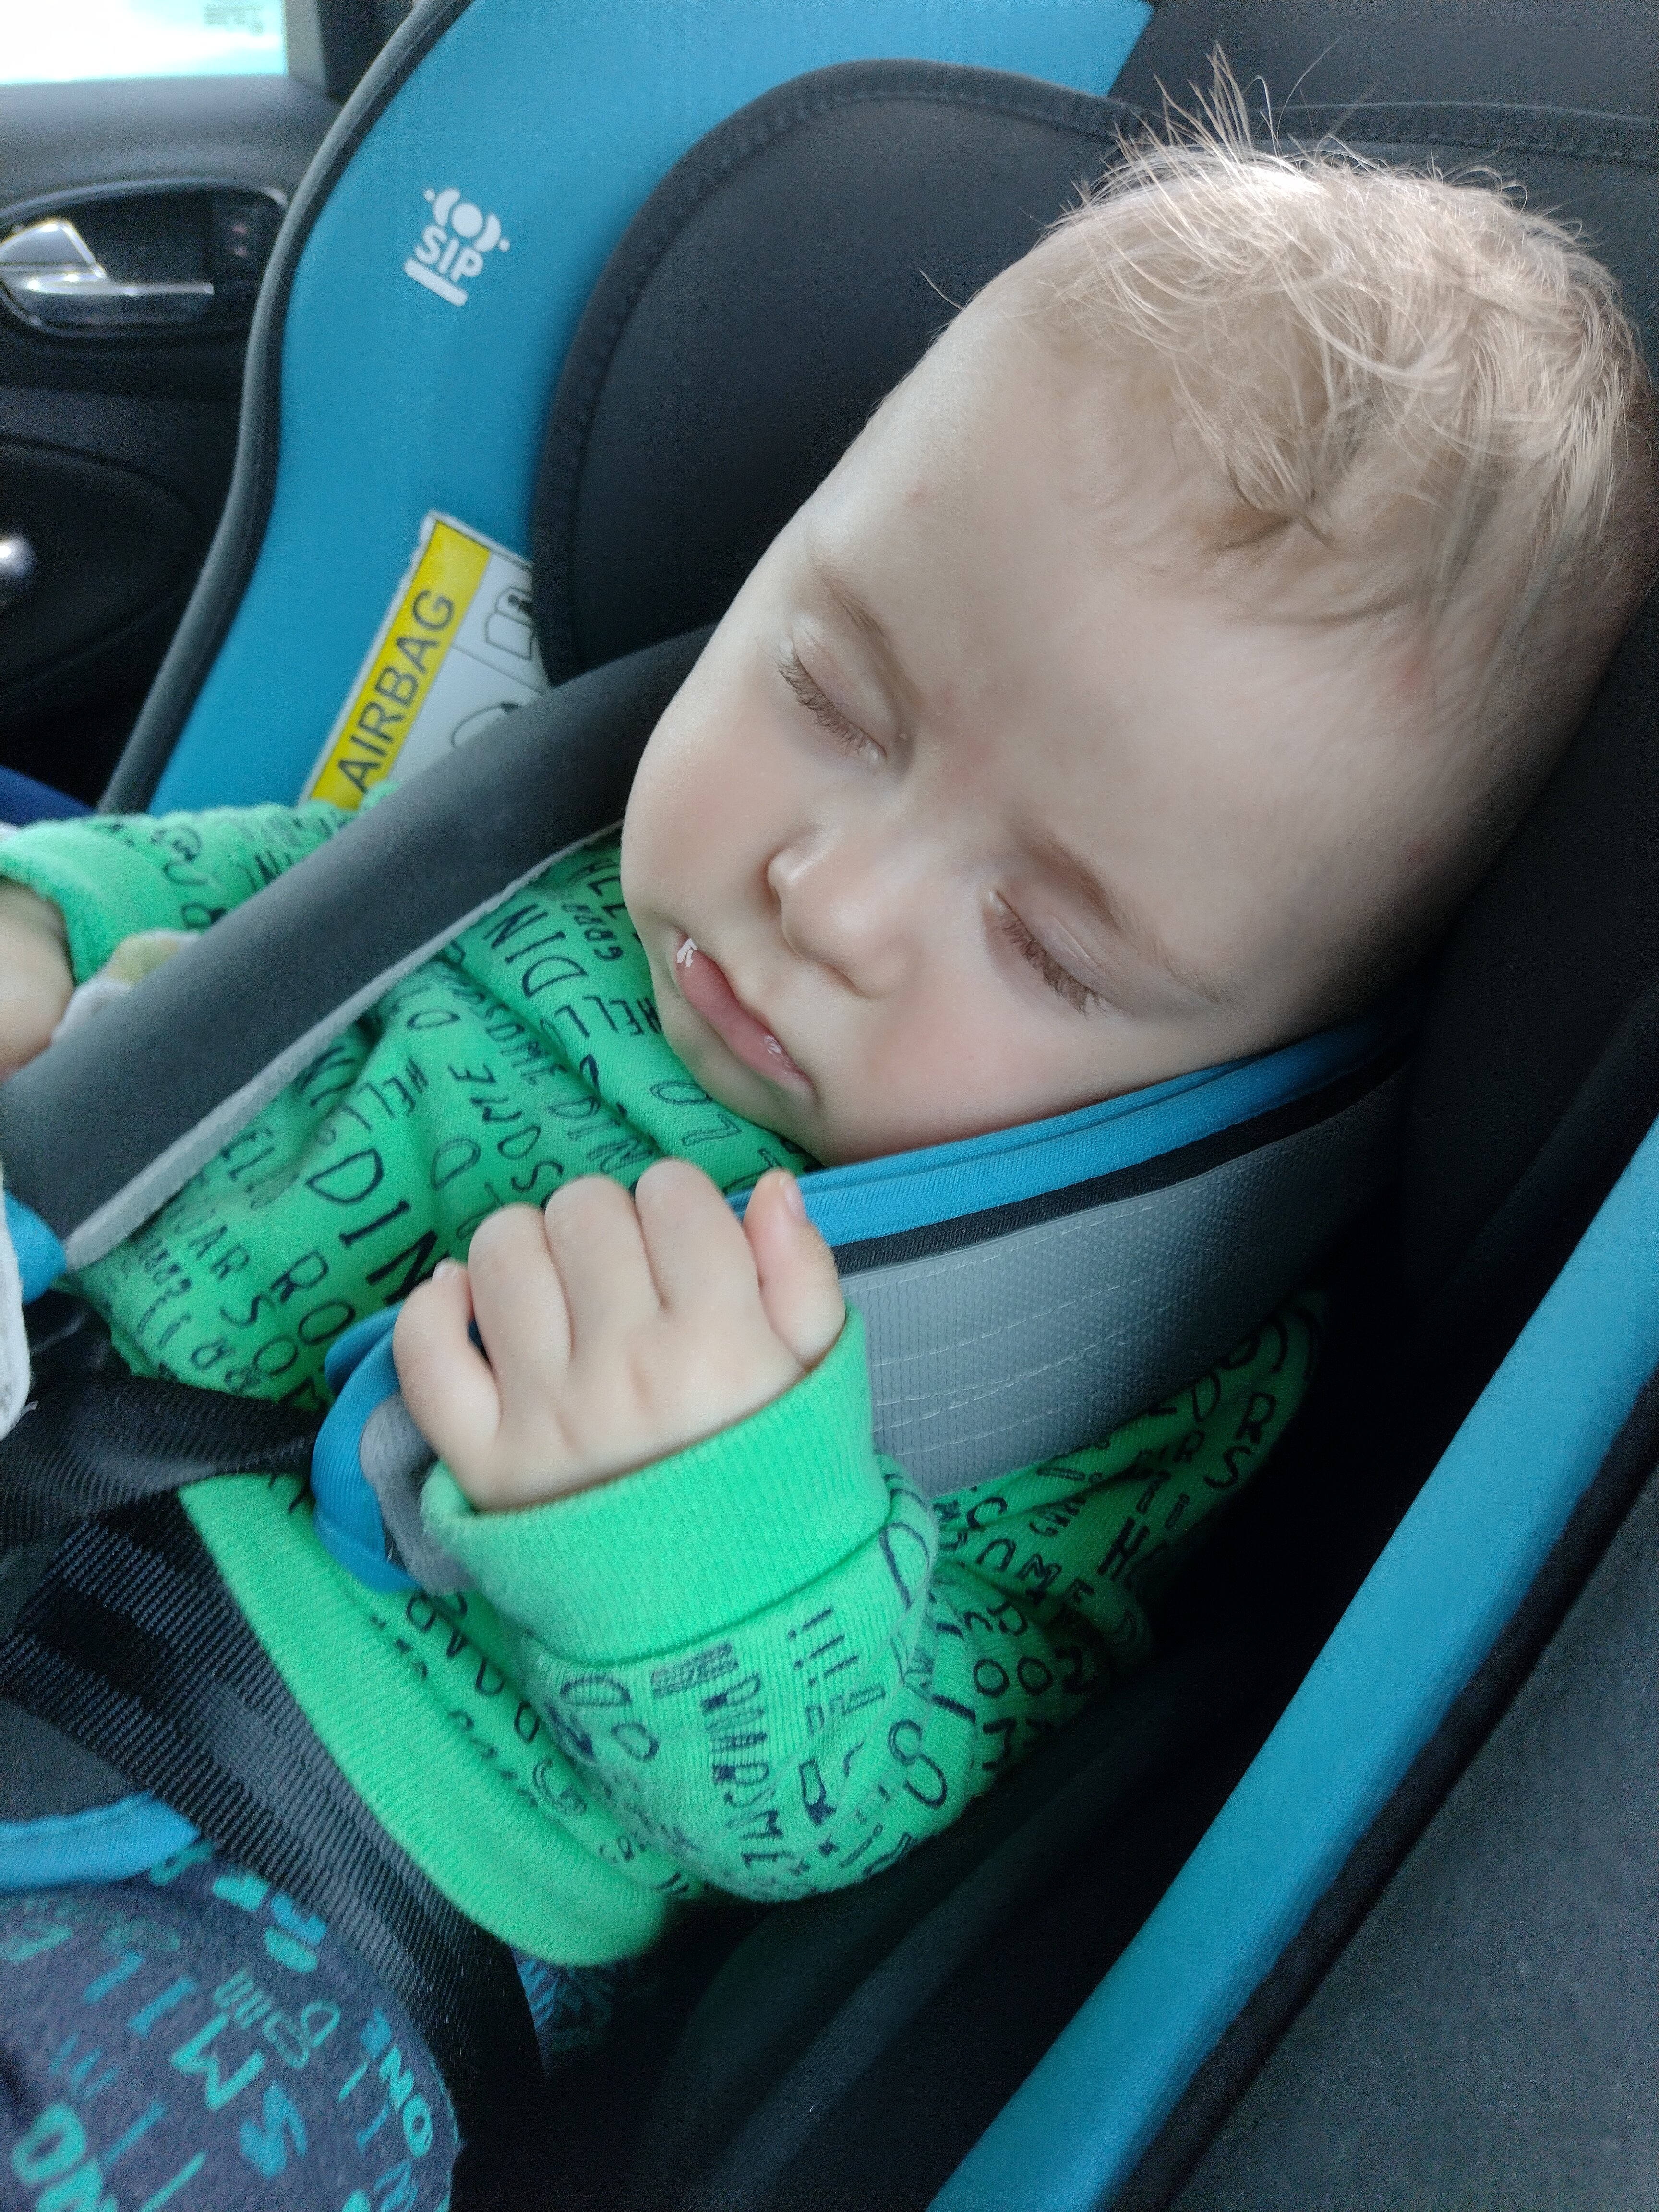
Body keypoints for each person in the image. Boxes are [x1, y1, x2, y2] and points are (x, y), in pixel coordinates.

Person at [1, 112, 1655, 2210]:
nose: (826, 892)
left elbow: (869, 1790)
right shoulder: (561, 847)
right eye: (830, 693)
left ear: (1276, 1056)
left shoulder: (1136, 1350)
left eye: (1051, 944)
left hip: (286, 1923)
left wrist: (699, 1528)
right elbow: (273, 901)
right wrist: (55, 930)